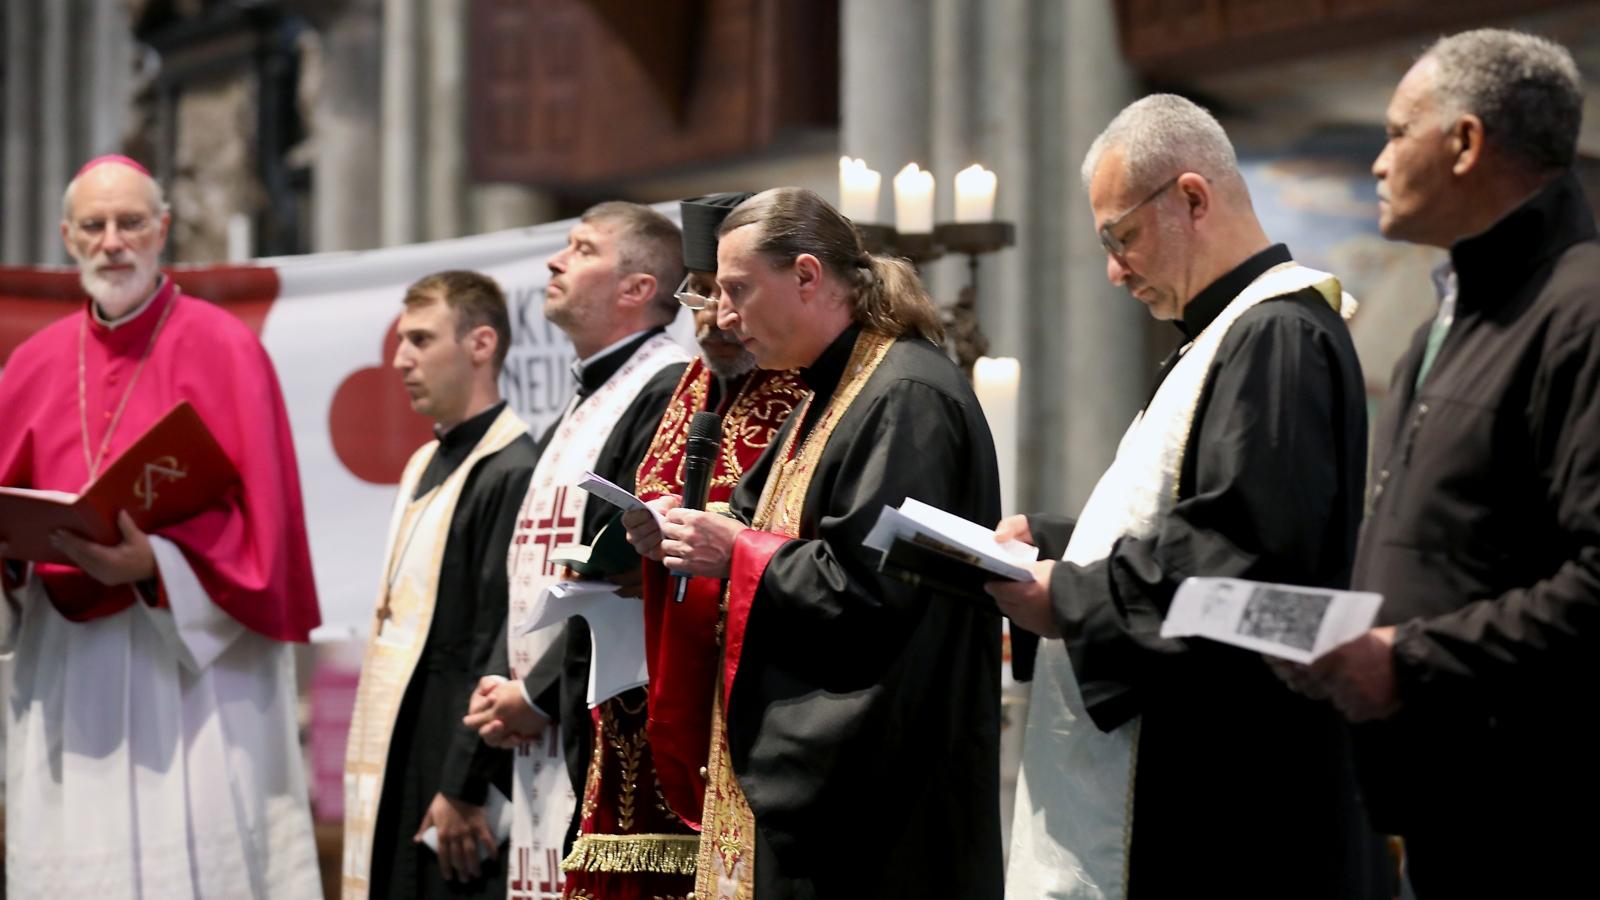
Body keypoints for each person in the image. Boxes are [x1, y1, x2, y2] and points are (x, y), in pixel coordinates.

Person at [985, 95, 1386, 899]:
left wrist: (1066, 597)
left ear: (1192, 199)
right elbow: (1195, 518)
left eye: (1120, 237)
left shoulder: (1275, 335)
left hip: (1228, 795)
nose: (1113, 269)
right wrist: (1060, 541)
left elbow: (1242, 563)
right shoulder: (1228, 335)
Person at [1282, 29, 1600, 897]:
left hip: (1536, 807)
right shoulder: (1444, 324)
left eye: (1394, 133)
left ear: (1463, 144)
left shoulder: (1581, 311)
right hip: (1442, 786)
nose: (1379, 163)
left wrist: (1409, 659)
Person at [625, 187, 1004, 899]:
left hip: (880, 794)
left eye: (737, 289)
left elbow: (873, 587)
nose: (725, 317)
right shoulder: (822, 393)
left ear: (806, 275)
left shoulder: (904, 396)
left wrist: (729, 552)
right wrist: (677, 532)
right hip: (830, 781)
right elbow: (753, 520)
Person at [0, 155, 322, 897]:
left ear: (163, 229)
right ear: (67, 237)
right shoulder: (32, 364)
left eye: (131, 222)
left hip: (188, 673)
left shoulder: (227, 348)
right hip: (68, 662)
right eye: (94, 226)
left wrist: (158, 566)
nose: (114, 242)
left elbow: (264, 534)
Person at [558, 192, 805, 899]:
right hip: (644, 686)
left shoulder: (804, 392)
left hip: (740, 697)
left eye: (732, 296)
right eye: (700, 295)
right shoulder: (693, 388)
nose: (715, 320)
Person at [461, 202, 689, 899]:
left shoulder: (663, 389)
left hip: (591, 724)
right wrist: (510, 682)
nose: (557, 261)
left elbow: (622, 567)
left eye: (583, 249)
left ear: (636, 289)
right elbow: (533, 565)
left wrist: (535, 691)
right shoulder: (584, 402)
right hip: (541, 727)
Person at [342, 271, 535, 898]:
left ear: (480, 344)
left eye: (421, 340)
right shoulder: (425, 459)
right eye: (402, 341)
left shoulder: (513, 467)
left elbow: (497, 638)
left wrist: (464, 782)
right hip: (407, 733)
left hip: (454, 757)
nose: (400, 360)